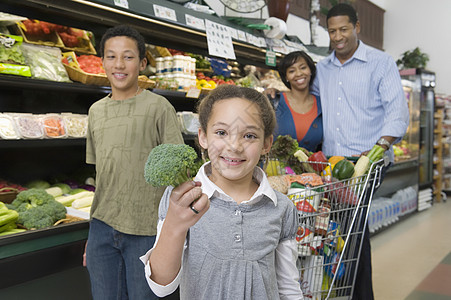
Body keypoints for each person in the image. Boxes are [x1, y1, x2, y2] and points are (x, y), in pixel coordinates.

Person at [140, 85, 304, 299]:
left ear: (266, 144)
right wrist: (175, 223)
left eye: (249, 135)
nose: (234, 146)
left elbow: (288, 288)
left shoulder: (281, 208)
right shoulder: (181, 199)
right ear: (203, 137)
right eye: (221, 132)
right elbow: (162, 285)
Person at [311, 3, 409, 300]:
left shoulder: (380, 63)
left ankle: (356, 294)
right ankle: (344, 289)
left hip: (368, 161)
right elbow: (311, 102)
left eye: (343, 29)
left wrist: (377, 149)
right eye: (332, 31)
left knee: (351, 226)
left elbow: (398, 112)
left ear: (357, 27)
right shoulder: (323, 69)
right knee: (343, 227)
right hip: (333, 163)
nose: (337, 36)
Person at [84, 24, 184, 299]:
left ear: (142, 63)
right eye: (111, 56)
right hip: (102, 229)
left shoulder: (158, 107)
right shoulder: (96, 111)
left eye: (128, 57)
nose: (119, 64)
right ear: (102, 61)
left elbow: (180, 171)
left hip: (147, 232)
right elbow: (103, 175)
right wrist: (92, 237)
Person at [270, 51, 322, 152]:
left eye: (303, 68)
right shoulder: (274, 101)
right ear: (286, 77)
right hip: (274, 167)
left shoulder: (322, 105)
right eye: (291, 71)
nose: (298, 73)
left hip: (309, 167)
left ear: (311, 70)